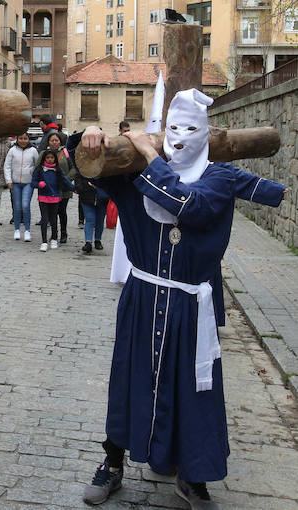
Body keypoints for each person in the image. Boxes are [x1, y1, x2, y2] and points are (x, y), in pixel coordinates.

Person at [69, 89, 288, 509]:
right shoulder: (133, 173)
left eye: (192, 129)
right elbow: (79, 174)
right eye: (174, 129)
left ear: (207, 134)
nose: (182, 138)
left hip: (191, 306)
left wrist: (150, 155)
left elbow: (190, 207)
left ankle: (194, 476)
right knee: (129, 378)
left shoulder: (219, 178)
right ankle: (113, 463)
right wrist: (89, 136)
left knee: (193, 389)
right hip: (142, 298)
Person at [31, 150, 73, 252]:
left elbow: (65, 180)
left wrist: (74, 188)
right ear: (44, 159)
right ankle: (44, 241)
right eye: (48, 158)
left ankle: (54, 238)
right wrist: (39, 184)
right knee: (44, 220)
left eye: (52, 158)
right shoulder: (40, 169)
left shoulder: (58, 170)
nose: (50, 160)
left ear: (55, 159)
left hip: (55, 197)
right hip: (43, 198)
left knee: (54, 219)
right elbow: (33, 182)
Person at [3, 132, 39, 242]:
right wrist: (8, 180)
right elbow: (7, 166)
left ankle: (27, 230)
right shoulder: (12, 151)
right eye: (21, 138)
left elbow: (37, 166)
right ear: (17, 139)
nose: (23, 140)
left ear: (28, 139)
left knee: (25, 205)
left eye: (25, 138)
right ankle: (17, 229)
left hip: (28, 183)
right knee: (17, 207)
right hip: (15, 183)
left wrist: (34, 177)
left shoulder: (33, 151)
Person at [44, 132, 75, 243]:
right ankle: (54, 234)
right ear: (48, 142)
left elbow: (73, 168)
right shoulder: (45, 153)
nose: (54, 142)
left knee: (62, 211)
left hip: (64, 188)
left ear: (60, 142)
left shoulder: (66, 153)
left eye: (56, 140)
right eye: (52, 140)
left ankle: (63, 233)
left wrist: (66, 179)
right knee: (52, 212)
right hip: (51, 189)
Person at [75, 166, 109, 254]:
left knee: (100, 220)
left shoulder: (105, 166)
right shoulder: (84, 165)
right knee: (90, 219)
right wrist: (81, 189)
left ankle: (97, 240)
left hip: (102, 197)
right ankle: (88, 242)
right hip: (87, 196)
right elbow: (78, 177)